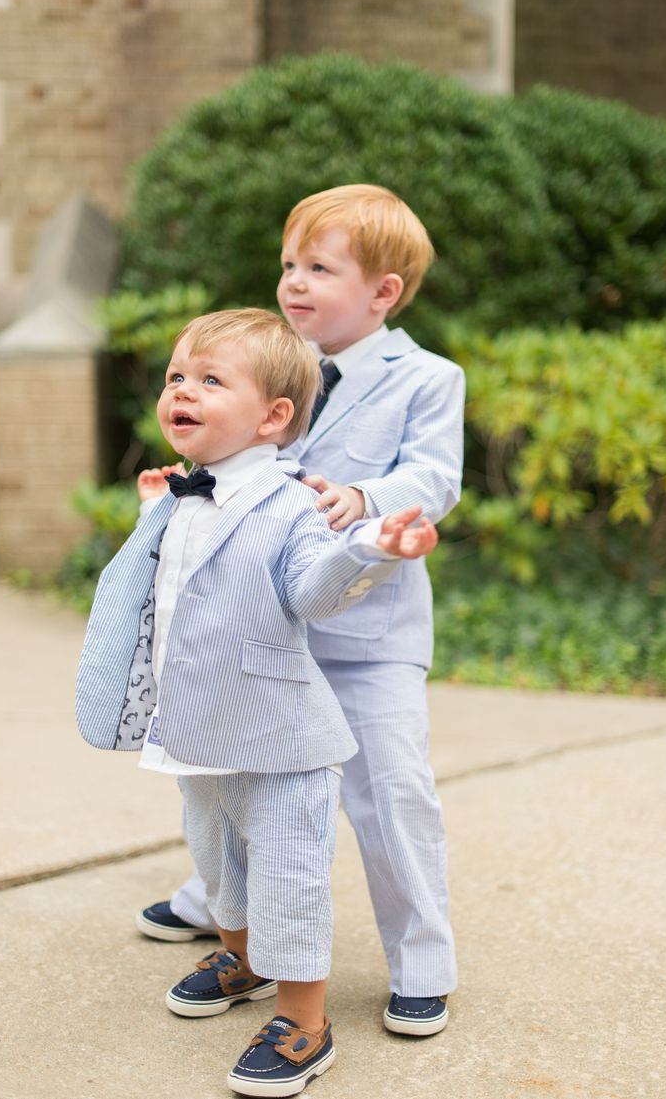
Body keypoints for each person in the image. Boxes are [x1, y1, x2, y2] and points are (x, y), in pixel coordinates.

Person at [75, 307, 439, 1097]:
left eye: (211, 379)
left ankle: (306, 1022)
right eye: (177, 376)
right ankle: (241, 959)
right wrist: (150, 513)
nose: (183, 389)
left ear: (273, 416)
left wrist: (369, 547)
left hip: (278, 738)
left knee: (288, 873)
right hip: (197, 726)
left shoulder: (288, 504)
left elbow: (311, 590)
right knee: (218, 859)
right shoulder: (180, 496)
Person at [138, 184, 466, 1039]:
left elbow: (434, 479)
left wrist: (362, 496)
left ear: (382, 292)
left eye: (318, 268)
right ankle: (218, 908)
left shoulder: (425, 378)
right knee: (231, 781)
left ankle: (422, 960)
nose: (294, 281)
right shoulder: (264, 360)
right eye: (289, 264)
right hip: (264, 629)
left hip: (367, 633)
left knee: (390, 791)